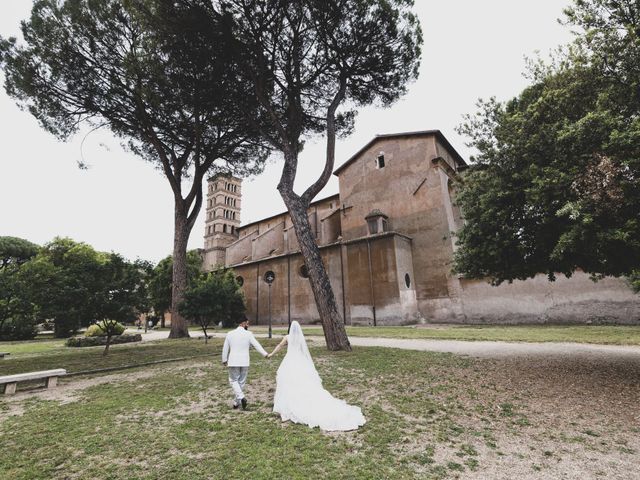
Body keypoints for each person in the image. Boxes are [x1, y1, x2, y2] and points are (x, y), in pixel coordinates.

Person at [267, 321, 366, 431]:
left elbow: (279, 346)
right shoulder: (300, 338)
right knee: (301, 382)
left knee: (288, 382)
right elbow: (303, 351)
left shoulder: (287, 337)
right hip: (300, 361)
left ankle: (288, 406)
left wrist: (271, 354)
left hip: (290, 361)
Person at [222, 316, 269, 410]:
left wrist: (224, 359)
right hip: (244, 361)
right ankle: (236, 403)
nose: (248, 325)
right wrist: (265, 354)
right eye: (247, 323)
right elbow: (257, 345)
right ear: (243, 323)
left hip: (233, 360)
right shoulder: (249, 334)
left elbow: (225, 348)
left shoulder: (230, 334)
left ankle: (241, 398)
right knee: (241, 381)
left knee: (233, 380)